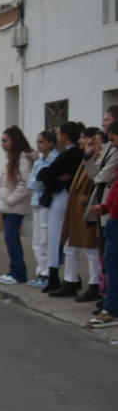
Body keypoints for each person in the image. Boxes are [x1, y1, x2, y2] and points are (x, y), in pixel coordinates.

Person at [53, 128, 103, 298]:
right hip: (75, 209)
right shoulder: (84, 157)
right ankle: (70, 281)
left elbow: (96, 179)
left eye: (84, 138)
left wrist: (85, 199)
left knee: (91, 249)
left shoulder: (96, 157)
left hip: (87, 208)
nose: (81, 141)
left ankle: (95, 285)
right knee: (70, 246)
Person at [37, 122, 84, 294]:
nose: (57, 137)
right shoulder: (69, 154)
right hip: (61, 195)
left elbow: (47, 174)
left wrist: (52, 176)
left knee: (57, 236)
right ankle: (66, 277)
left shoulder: (71, 154)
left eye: (58, 134)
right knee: (59, 237)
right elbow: (45, 174)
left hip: (63, 197)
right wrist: (53, 176)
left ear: (65, 136)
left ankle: (56, 277)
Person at [0, 127, 35, 284]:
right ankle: (14, 271)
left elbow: (26, 183)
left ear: (14, 141)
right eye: (2, 141)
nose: (2, 144)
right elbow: (8, 183)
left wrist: (10, 200)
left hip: (14, 205)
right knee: (10, 239)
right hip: (8, 205)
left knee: (11, 239)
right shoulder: (11, 158)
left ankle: (18, 273)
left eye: (5, 141)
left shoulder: (22, 158)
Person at [90, 123, 118, 327]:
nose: (111, 143)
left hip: (116, 220)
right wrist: (106, 206)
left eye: (112, 138)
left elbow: (102, 177)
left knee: (112, 263)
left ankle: (112, 310)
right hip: (113, 216)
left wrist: (111, 209)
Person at [26, 130, 59, 286]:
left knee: (46, 238)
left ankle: (47, 273)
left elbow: (43, 182)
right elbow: (32, 182)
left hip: (47, 202)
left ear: (51, 143)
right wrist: (38, 182)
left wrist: (38, 182)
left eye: (42, 142)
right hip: (36, 201)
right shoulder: (39, 161)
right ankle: (40, 271)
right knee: (37, 239)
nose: (38, 145)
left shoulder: (54, 159)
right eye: (37, 142)